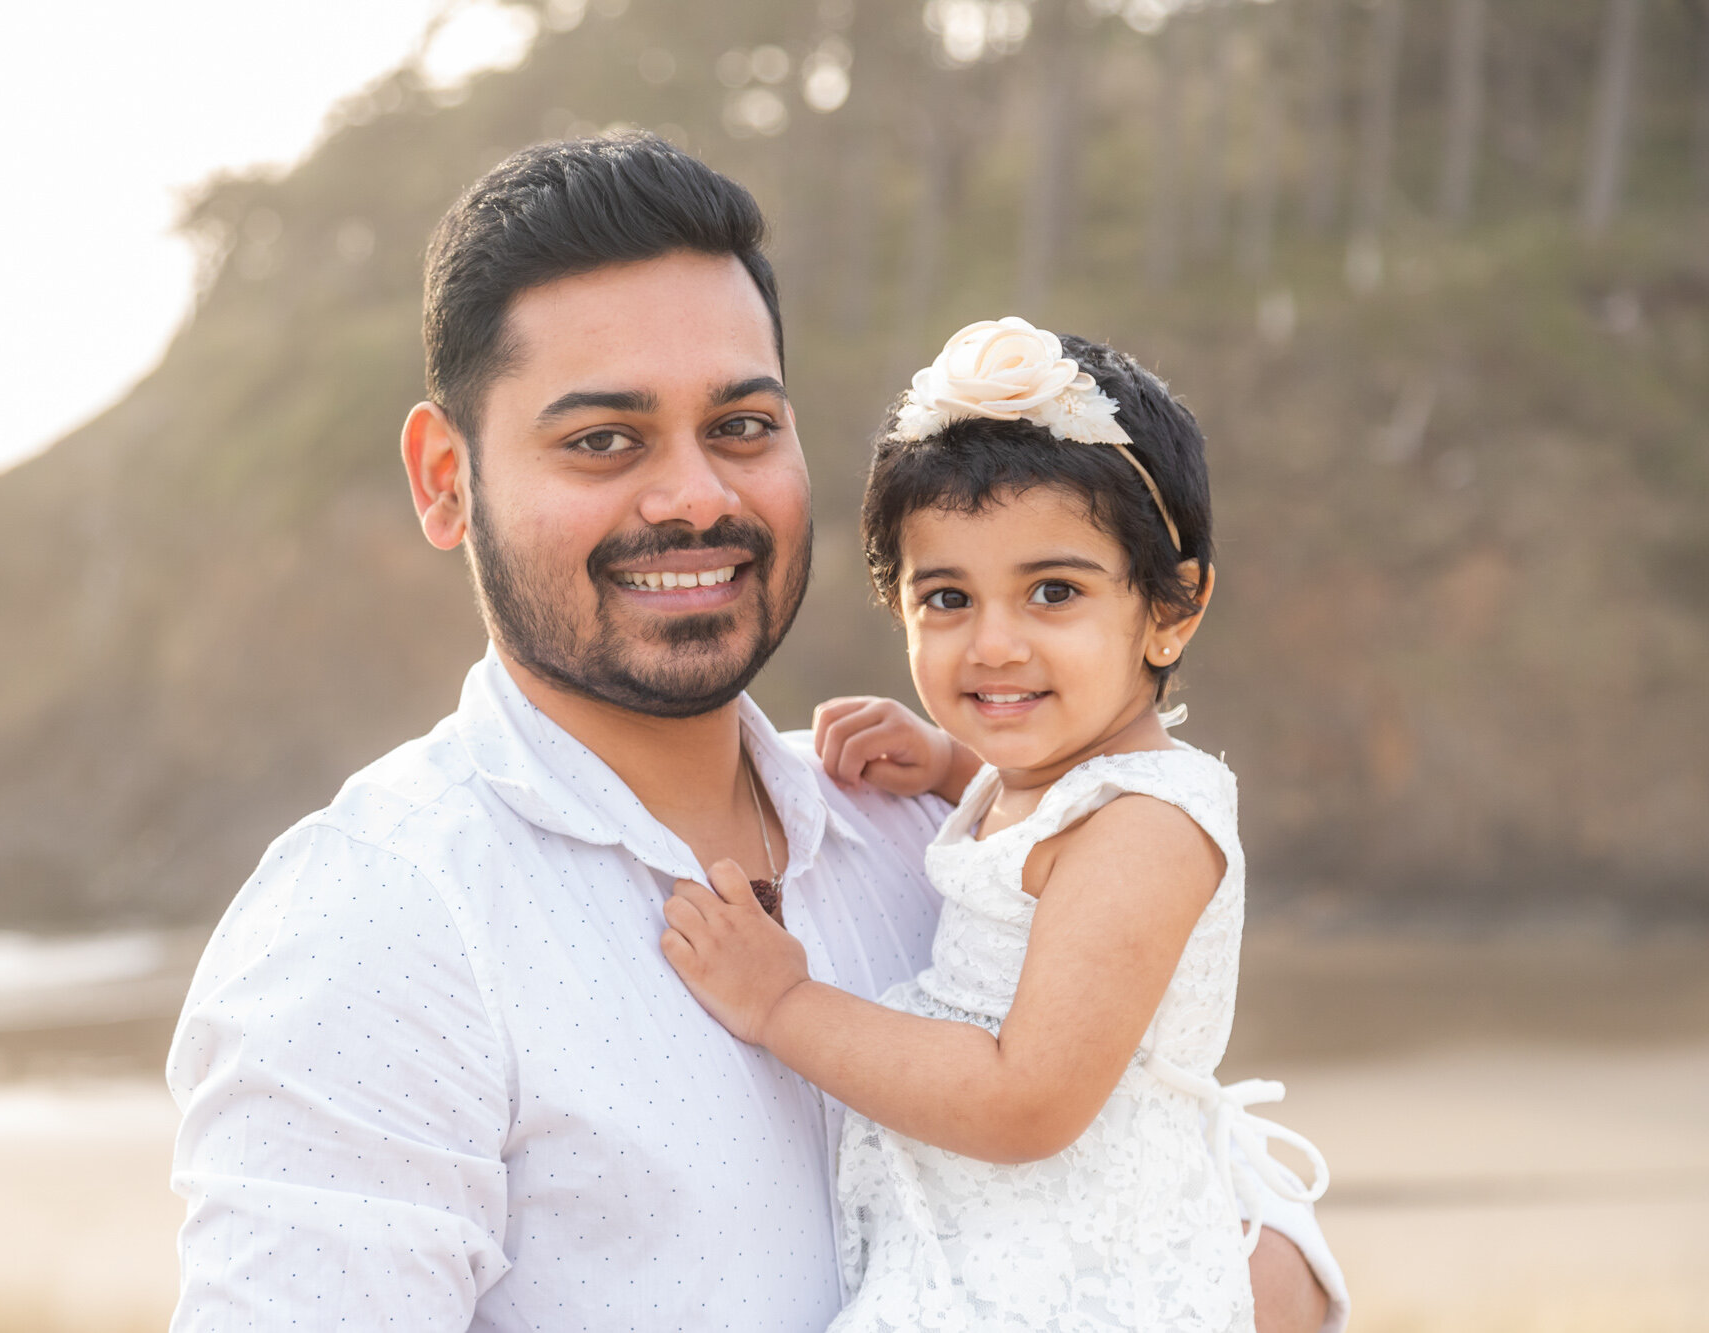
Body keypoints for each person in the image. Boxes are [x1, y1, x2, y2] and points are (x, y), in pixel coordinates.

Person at [165, 134, 1345, 1332]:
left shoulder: (933, 817)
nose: (693, 497)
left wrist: (1279, 1270)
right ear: (444, 481)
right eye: (601, 441)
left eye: (738, 426)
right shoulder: (379, 923)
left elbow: (1156, 1144)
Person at [661, 317, 1333, 1331]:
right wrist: (947, 763)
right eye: (946, 597)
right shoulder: (1071, 785)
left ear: (1171, 608)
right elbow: (1046, 842)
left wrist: (781, 1003)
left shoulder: (1146, 827)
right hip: (998, 1257)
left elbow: (1026, 1100)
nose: (994, 644)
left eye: (1051, 591)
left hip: (1072, 1285)